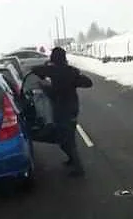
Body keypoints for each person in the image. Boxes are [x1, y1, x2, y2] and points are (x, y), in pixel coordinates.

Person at [32, 47, 93, 177]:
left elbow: (37, 71)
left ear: (53, 58)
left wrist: (44, 83)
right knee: (66, 138)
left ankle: (78, 169)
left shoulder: (53, 71)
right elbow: (88, 83)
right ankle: (72, 160)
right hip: (71, 109)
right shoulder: (70, 72)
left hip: (61, 110)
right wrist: (76, 77)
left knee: (67, 140)